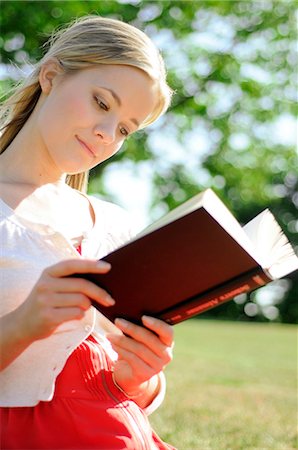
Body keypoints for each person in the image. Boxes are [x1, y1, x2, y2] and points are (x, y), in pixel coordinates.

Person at [0, 15, 176, 450]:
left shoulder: (116, 224)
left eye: (124, 129)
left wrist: (142, 378)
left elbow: (128, 393)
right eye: (101, 103)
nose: (105, 134)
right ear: (51, 75)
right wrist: (23, 324)